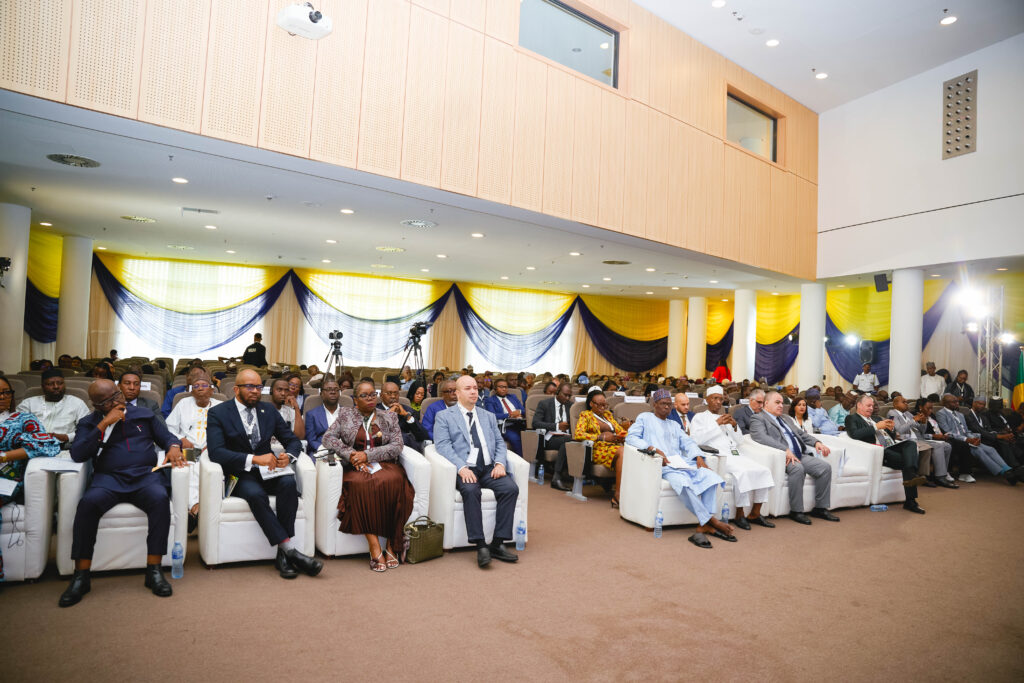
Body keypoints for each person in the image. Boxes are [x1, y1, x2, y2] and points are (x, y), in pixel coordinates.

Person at [59, 379, 187, 607]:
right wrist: (104, 424)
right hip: (108, 479)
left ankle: (154, 570)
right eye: (110, 400)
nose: (118, 400)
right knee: (88, 504)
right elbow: (78, 454)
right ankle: (81, 576)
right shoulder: (89, 422)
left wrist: (174, 447)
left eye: (117, 394)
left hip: (144, 476)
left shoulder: (144, 415)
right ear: (97, 405)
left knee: (159, 499)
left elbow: (167, 437)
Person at [206, 369, 321, 579]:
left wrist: (289, 456)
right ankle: (290, 550)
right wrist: (254, 459)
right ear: (236, 389)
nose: (255, 391)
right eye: (250, 386)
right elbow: (216, 452)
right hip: (239, 473)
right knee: (256, 494)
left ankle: (282, 555)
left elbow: (293, 441)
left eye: (259, 387)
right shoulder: (218, 413)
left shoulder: (267, 410)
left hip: (269, 471)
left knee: (288, 483)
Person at [321, 380, 415, 572]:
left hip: (386, 464)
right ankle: (374, 546)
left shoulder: (389, 417)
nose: (370, 398)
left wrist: (368, 455)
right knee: (358, 484)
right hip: (356, 466)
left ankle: (392, 544)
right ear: (355, 400)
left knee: (395, 481)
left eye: (373, 394)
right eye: (364, 395)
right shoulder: (345, 415)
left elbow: (397, 446)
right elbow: (328, 438)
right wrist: (352, 455)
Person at [625, 389, 733, 549]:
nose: (667, 407)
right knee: (683, 483)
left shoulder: (674, 424)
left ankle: (703, 525)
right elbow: (631, 437)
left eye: (669, 404)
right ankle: (712, 521)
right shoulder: (645, 418)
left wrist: (698, 456)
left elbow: (688, 443)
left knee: (710, 477)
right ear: (655, 404)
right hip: (661, 465)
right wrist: (652, 448)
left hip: (680, 463)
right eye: (663, 404)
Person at [433, 375, 520, 568]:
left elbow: (500, 443)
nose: (473, 391)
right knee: (471, 491)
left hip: (489, 467)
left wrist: (500, 463)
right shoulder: (444, 416)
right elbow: (443, 446)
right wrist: (461, 468)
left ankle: (497, 543)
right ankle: (480, 545)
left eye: (475, 388)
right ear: (457, 393)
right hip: (466, 468)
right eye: (467, 388)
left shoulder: (488, 416)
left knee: (510, 489)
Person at [0, 375, 60, 584]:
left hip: (7, 477)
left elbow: (48, 445)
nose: (2, 397)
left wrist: (4, 456)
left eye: (6, 392)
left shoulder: (22, 419)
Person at [689, 386, 774, 530]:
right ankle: (740, 514)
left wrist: (734, 426)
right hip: (720, 455)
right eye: (715, 398)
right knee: (742, 473)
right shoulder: (700, 417)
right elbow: (696, 439)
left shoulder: (727, 416)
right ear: (707, 400)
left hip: (736, 454)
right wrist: (717, 424)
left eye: (720, 399)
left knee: (764, 470)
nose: (718, 402)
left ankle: (755, 513)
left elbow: (739, 441)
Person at [749, 391, 838, 525]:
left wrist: (816, 443)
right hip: (783, 457)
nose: (781, 405)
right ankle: (796, 511)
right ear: (766, 403)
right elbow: (761, 437)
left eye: (782, 403)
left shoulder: (786, 418)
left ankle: (820, 508)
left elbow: (801, 434)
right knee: (798, 469)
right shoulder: (758, 418)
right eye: (777, 402)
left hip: (799, 454)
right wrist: (784, 450)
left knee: (824, 468)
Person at [845, 394, 927, 513]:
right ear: (859, 405)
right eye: (868, 405)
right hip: (878, 450)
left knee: (910, 444)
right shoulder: (852, 418)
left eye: (872, 406)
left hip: (891, 446)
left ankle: (911, 471)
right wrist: (876, 427)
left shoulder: (877, 418)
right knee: (906, 462)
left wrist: (891, 429)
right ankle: (911, 499)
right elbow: (854, 434)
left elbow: (890, 437)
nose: (871, 408)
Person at [166, 370, 222, 531]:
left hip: (213, 449)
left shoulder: (221, 406)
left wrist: (214, 444)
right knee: (189, 469)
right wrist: (180, 439)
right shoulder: (183, 404)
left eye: (204, 385)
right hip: (188, 448)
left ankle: (196, 510)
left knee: (211, 470)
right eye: (196, 386)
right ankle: (194, 508)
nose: (200, 388)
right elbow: (169, 428)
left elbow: (229, 431)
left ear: (212, 390)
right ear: (191, 390)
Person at [935, 393, 1015, 484]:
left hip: (968, 439)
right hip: (956, 440)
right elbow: (948, 432)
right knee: (978, 450)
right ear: (946, 403)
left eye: (957, 401)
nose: (957, 404)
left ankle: (1008, 469)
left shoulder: (960, 414)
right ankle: (1004, 473)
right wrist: (967, 439)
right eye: (954, 402)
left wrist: (974, 438)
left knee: (990, 449)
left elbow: (967, 431)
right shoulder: (941, 413)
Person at [574, 391, 628, 507]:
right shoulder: (585, 415)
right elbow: (578, 434)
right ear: (591, 404)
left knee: (633, 453)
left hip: (615, 446)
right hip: (598, 449)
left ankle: (630, 494)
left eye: (605, 404)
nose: (603, 407)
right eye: (599, 404)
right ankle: (618, 495)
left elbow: (620, 430)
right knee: (623, 451)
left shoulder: (608, 415)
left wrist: (623, 436)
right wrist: (600, 437)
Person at [889, 396, 957, 488]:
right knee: (938, 446)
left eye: (906, 402)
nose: (906, 404)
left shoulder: (908, 414)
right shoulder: (892, 413)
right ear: (895, 404)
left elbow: (922, 431)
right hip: (907, 440)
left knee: (947, 446)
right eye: (903, 402)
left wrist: (924, 422)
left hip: (919, 439)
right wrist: (913, 420)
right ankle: (940, 477)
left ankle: (941, 471)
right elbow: (899, 430)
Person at [16, 368, 90, 449]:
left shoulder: (77, 403)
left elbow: (87, 429)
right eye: (50, 384)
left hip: (64, 447)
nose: (56, 386)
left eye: (60, 383)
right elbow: (16, 426)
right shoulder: (28, 403)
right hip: (31, 446)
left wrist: (67, 437)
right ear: (42, 386)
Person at [531, 381, 576, 490]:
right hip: (549, 438)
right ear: (557, 392)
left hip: (566, 437)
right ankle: (559, 476)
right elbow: (535, 423)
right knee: (568, 441)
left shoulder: (571, 406)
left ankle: (558, 476)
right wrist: (556, 426)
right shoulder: (545, 404)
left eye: (569, 395)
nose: (567, 398)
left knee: (568, 443)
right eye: (565, 395)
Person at [378, 381, 429, 453]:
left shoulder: (408, 410)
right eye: (389, 393)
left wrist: (407, 416)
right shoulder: (374, 411)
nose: (393, 396)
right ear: (381, 395)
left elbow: (423, 436)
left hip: (407, 449)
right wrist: (388, 414)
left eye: (396, 393)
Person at [484, 378, 526, 456]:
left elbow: (524, 410)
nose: (504, 389)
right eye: (501, 387)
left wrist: (519, 412)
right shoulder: (490, 400)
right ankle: (522, 460)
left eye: (505, 387)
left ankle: (534, 460)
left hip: (520, 423)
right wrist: (510, 415)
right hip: (505, 426)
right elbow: (492, 415)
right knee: (515, 438)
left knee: (532, 436)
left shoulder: (513, 397)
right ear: (495, 389)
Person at [305, 375, 341, 456]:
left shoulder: (348, 413)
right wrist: (325, 450)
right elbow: (311, 440)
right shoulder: (312, 414)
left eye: (336, 389)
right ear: (321, 394)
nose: (333, 392)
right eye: (328, 389)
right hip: (321, 452)